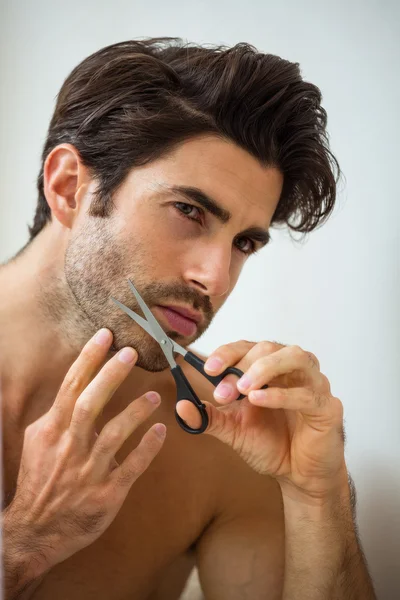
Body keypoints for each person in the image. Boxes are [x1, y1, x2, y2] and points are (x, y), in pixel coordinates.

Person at [1, 37, 377, 600]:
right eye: (189, 211)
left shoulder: (226, 439)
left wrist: (316, 498)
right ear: (69, 188)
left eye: (244, 242)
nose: (216, 278)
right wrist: (21, 547)